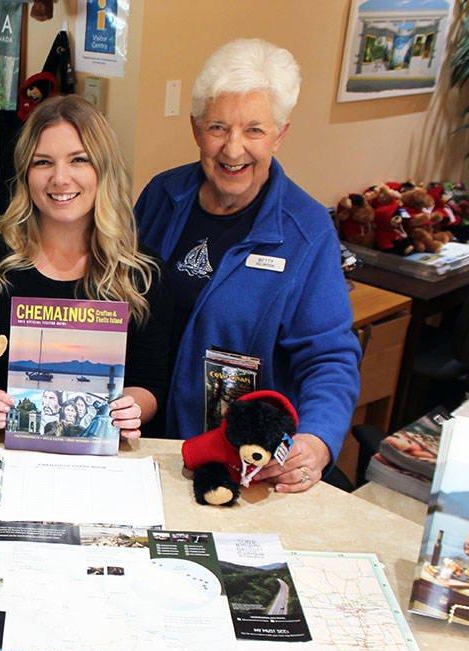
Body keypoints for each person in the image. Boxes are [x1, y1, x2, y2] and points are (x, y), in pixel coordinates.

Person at [135, 39, 360, 488]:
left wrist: (315, 442)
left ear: (280, 134)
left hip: (241, 462)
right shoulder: (162, 196)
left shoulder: (306, 231)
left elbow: (330, 358)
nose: (233, 150)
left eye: (254, 130)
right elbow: (115, 300)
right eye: (218, 127)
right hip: (146, 443)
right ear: (196, 129)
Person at [0, 95, 172, 441]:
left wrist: (130, 408)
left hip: (97, 460)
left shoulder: (142, 273)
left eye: (79, 160)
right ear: (25, 172)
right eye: (43, 162)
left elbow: (149, 384)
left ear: (103, 170)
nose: (60, 178)